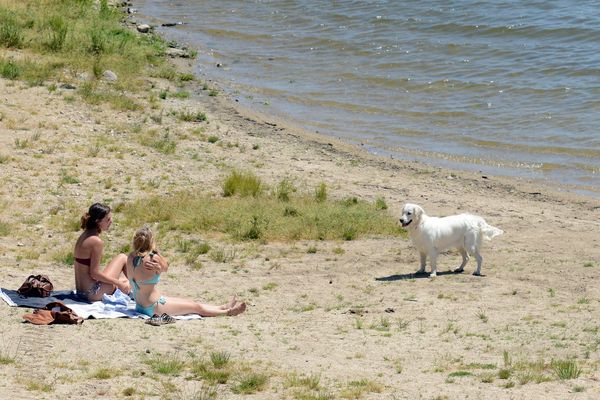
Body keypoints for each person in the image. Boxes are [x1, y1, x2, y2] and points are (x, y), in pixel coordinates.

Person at [126, 226, 246, 317]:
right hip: (154, 306)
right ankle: (227, 312)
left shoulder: (130, 258)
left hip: (140, 306)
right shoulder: (153, 258)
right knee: (196, 307)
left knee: (191, 303)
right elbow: (166, 267)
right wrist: (156, 252)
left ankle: (221, 307)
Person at [74, 203, 131, 301]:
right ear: (97, 222)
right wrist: (118, 283)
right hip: (92, 293)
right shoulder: (96, 241)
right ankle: (141, 291)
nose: (111, 222)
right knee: (122, 258)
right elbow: (94, 273)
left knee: (125, 281)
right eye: (107, 220)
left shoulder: (84, 236)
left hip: (81, 292)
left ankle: (134, 286)